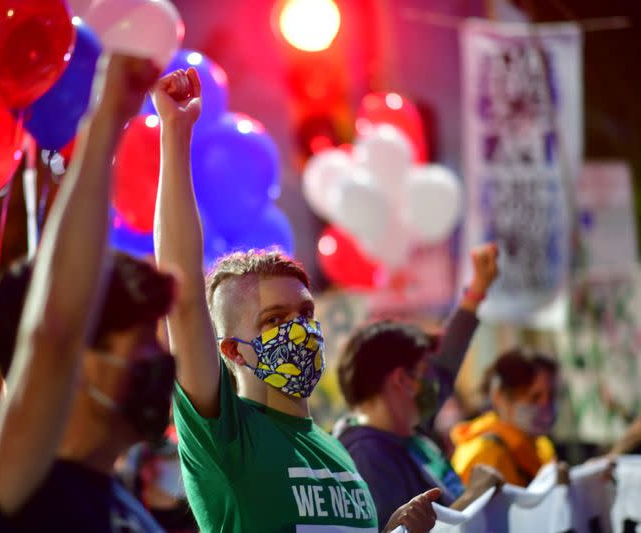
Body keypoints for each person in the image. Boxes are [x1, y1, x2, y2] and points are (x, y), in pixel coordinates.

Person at [153, 67, 439, 532]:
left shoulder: (337, 452)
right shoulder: (228, 438)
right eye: (274, 319)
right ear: (231, 350)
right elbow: (182, 293)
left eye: (305, 312)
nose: (301, 328)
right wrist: (175, 132)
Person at [0, 53, 174, 532]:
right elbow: (54, 335)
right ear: (76, 359)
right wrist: (105, 120)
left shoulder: (128, 508)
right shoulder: (14, 488)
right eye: (144, 343)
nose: (160, 358)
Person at [334, 243, 504, 525]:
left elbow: (447, 361)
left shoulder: (405, 433)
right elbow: (404, 530)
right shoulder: (368, 456)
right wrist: (474, 495)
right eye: (425, 372)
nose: (434, 382)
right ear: (402, 380)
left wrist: (477, 290)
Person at [451, 349, 559, 486]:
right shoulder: (485, 455)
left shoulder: (541, 445)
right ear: (500, 397)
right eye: (534, 397)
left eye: (552, 395)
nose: (546, 405)